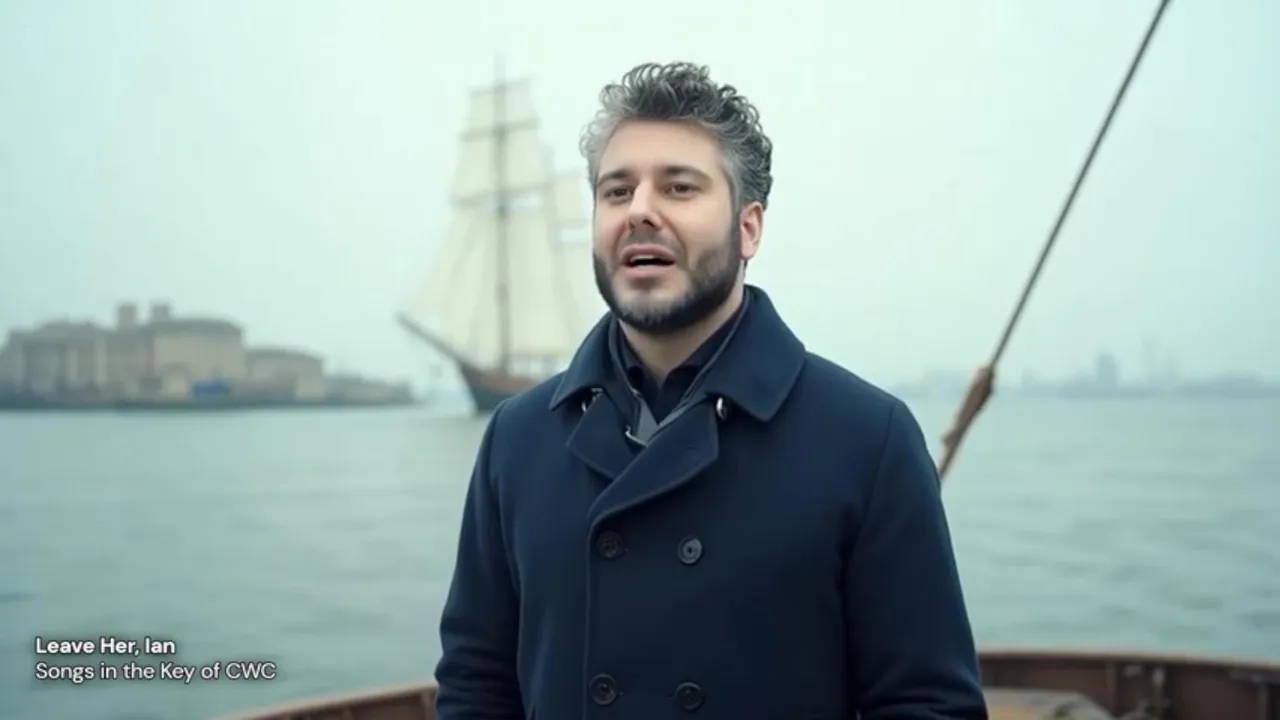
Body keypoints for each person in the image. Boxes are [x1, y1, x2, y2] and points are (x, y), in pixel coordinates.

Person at [434, 61, 989, 720]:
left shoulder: (868, 440)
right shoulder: (518, 438)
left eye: (679, 187)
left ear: (748, 228)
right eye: (617, 191)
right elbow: (476, 685)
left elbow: (929, 705)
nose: (640, 210)